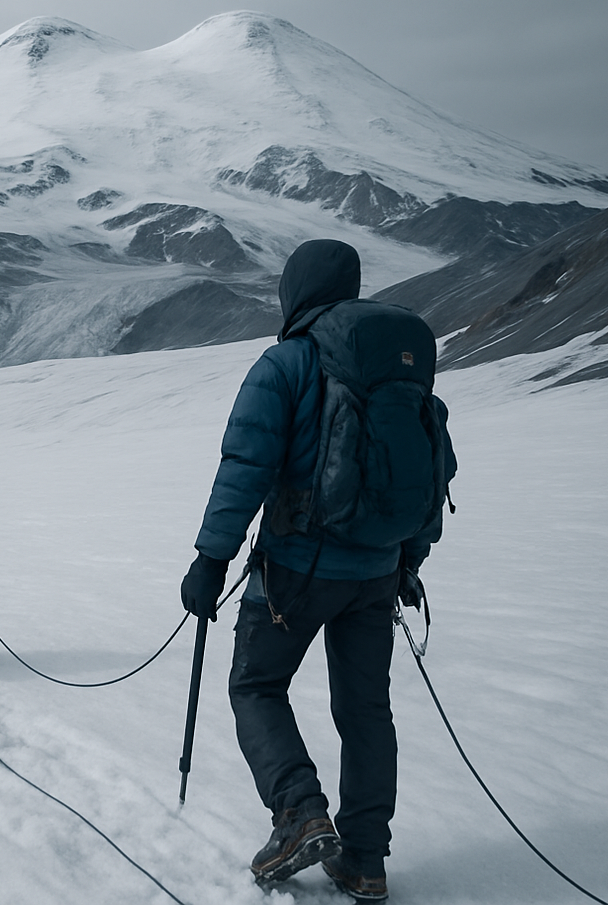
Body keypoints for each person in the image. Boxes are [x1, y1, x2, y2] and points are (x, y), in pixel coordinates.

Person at [181, 240, 454, 902]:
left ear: (295, 291)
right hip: (376, 573)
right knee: (366, 712)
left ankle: (300, 814)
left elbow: (244, 468)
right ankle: (364, 859)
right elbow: (429, 469)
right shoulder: (399, 369)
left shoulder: (286, 364)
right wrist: (407, 563)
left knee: (256, 686)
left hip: (297, 570)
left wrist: (210, 560)